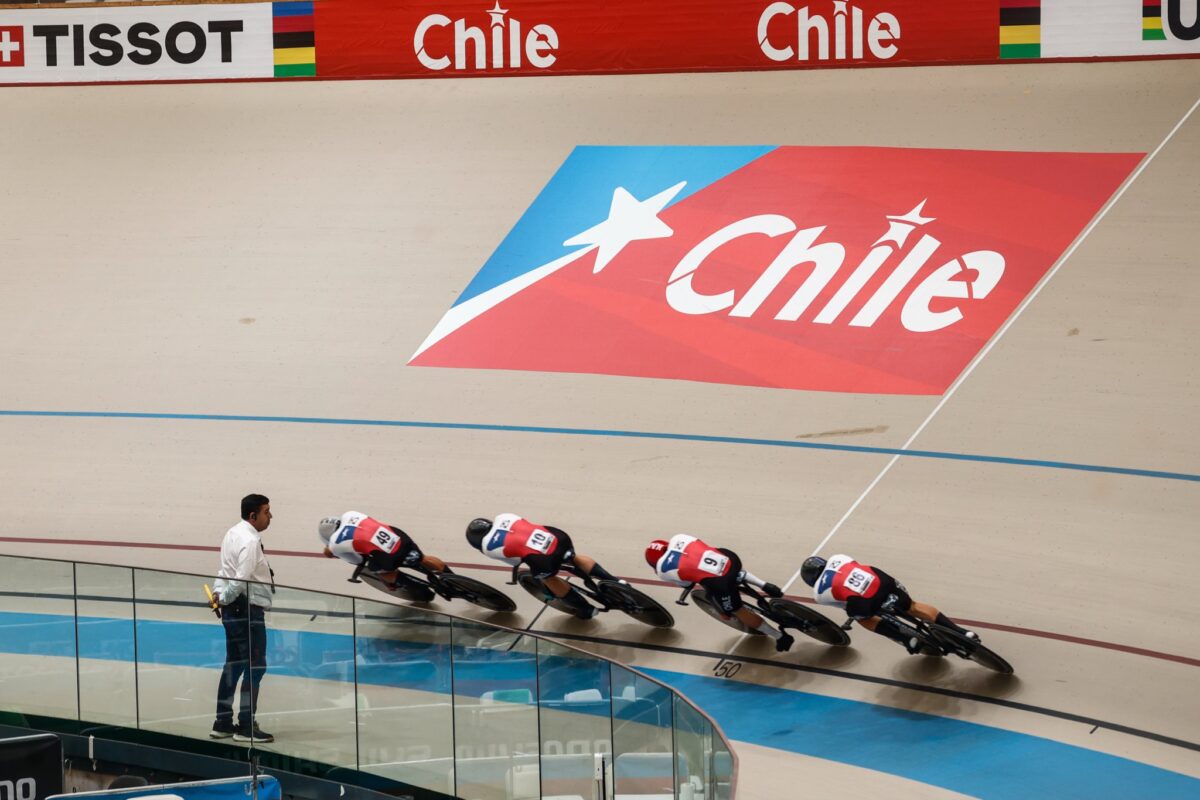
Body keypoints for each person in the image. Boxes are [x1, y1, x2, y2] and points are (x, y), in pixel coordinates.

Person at [800, 554, 977, 653]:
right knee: (912, 606)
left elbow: (844, 604)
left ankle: (907, 639)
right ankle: (963, 632)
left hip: (863, 600)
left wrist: (863, 611)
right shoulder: (839, 558)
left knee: (864, 619)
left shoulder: (819, 593)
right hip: (882, 581)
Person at [645, 536, 794, 652]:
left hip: (723, 581)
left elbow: (687, 584)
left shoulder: (662, 570)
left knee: (735, 609)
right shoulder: (679, 538)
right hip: (731, 559)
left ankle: (780, 636)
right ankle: (764, 585)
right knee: (720, 555)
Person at [465, 514, 622, 619]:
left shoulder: (488, 547)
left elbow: (516, 561)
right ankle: (615, 581)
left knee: (548, 578)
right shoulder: (503, 516)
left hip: (545, 559)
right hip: (559, 537)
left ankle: (585, 609)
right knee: (573, 557)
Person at [211, 493, 275, 743]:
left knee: (234, 663)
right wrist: (224, 597)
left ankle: (222, 722)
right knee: (255, 666)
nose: (270, 516)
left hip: (234, 609)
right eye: (266, 511)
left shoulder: (231, 533)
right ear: (253, 515)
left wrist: (218, 593)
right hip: (246, 609)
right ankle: (246, 725)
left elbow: (223, 571)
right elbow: (240, 578)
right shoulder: (249, 540)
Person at [317, 511, 450, 591]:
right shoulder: (350, 514)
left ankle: (396, 584)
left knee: (377, 569)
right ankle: (451, 577)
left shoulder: (335, 544)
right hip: (399, 537)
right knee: (423, 558)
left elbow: (358, 560)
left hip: (390, 556)